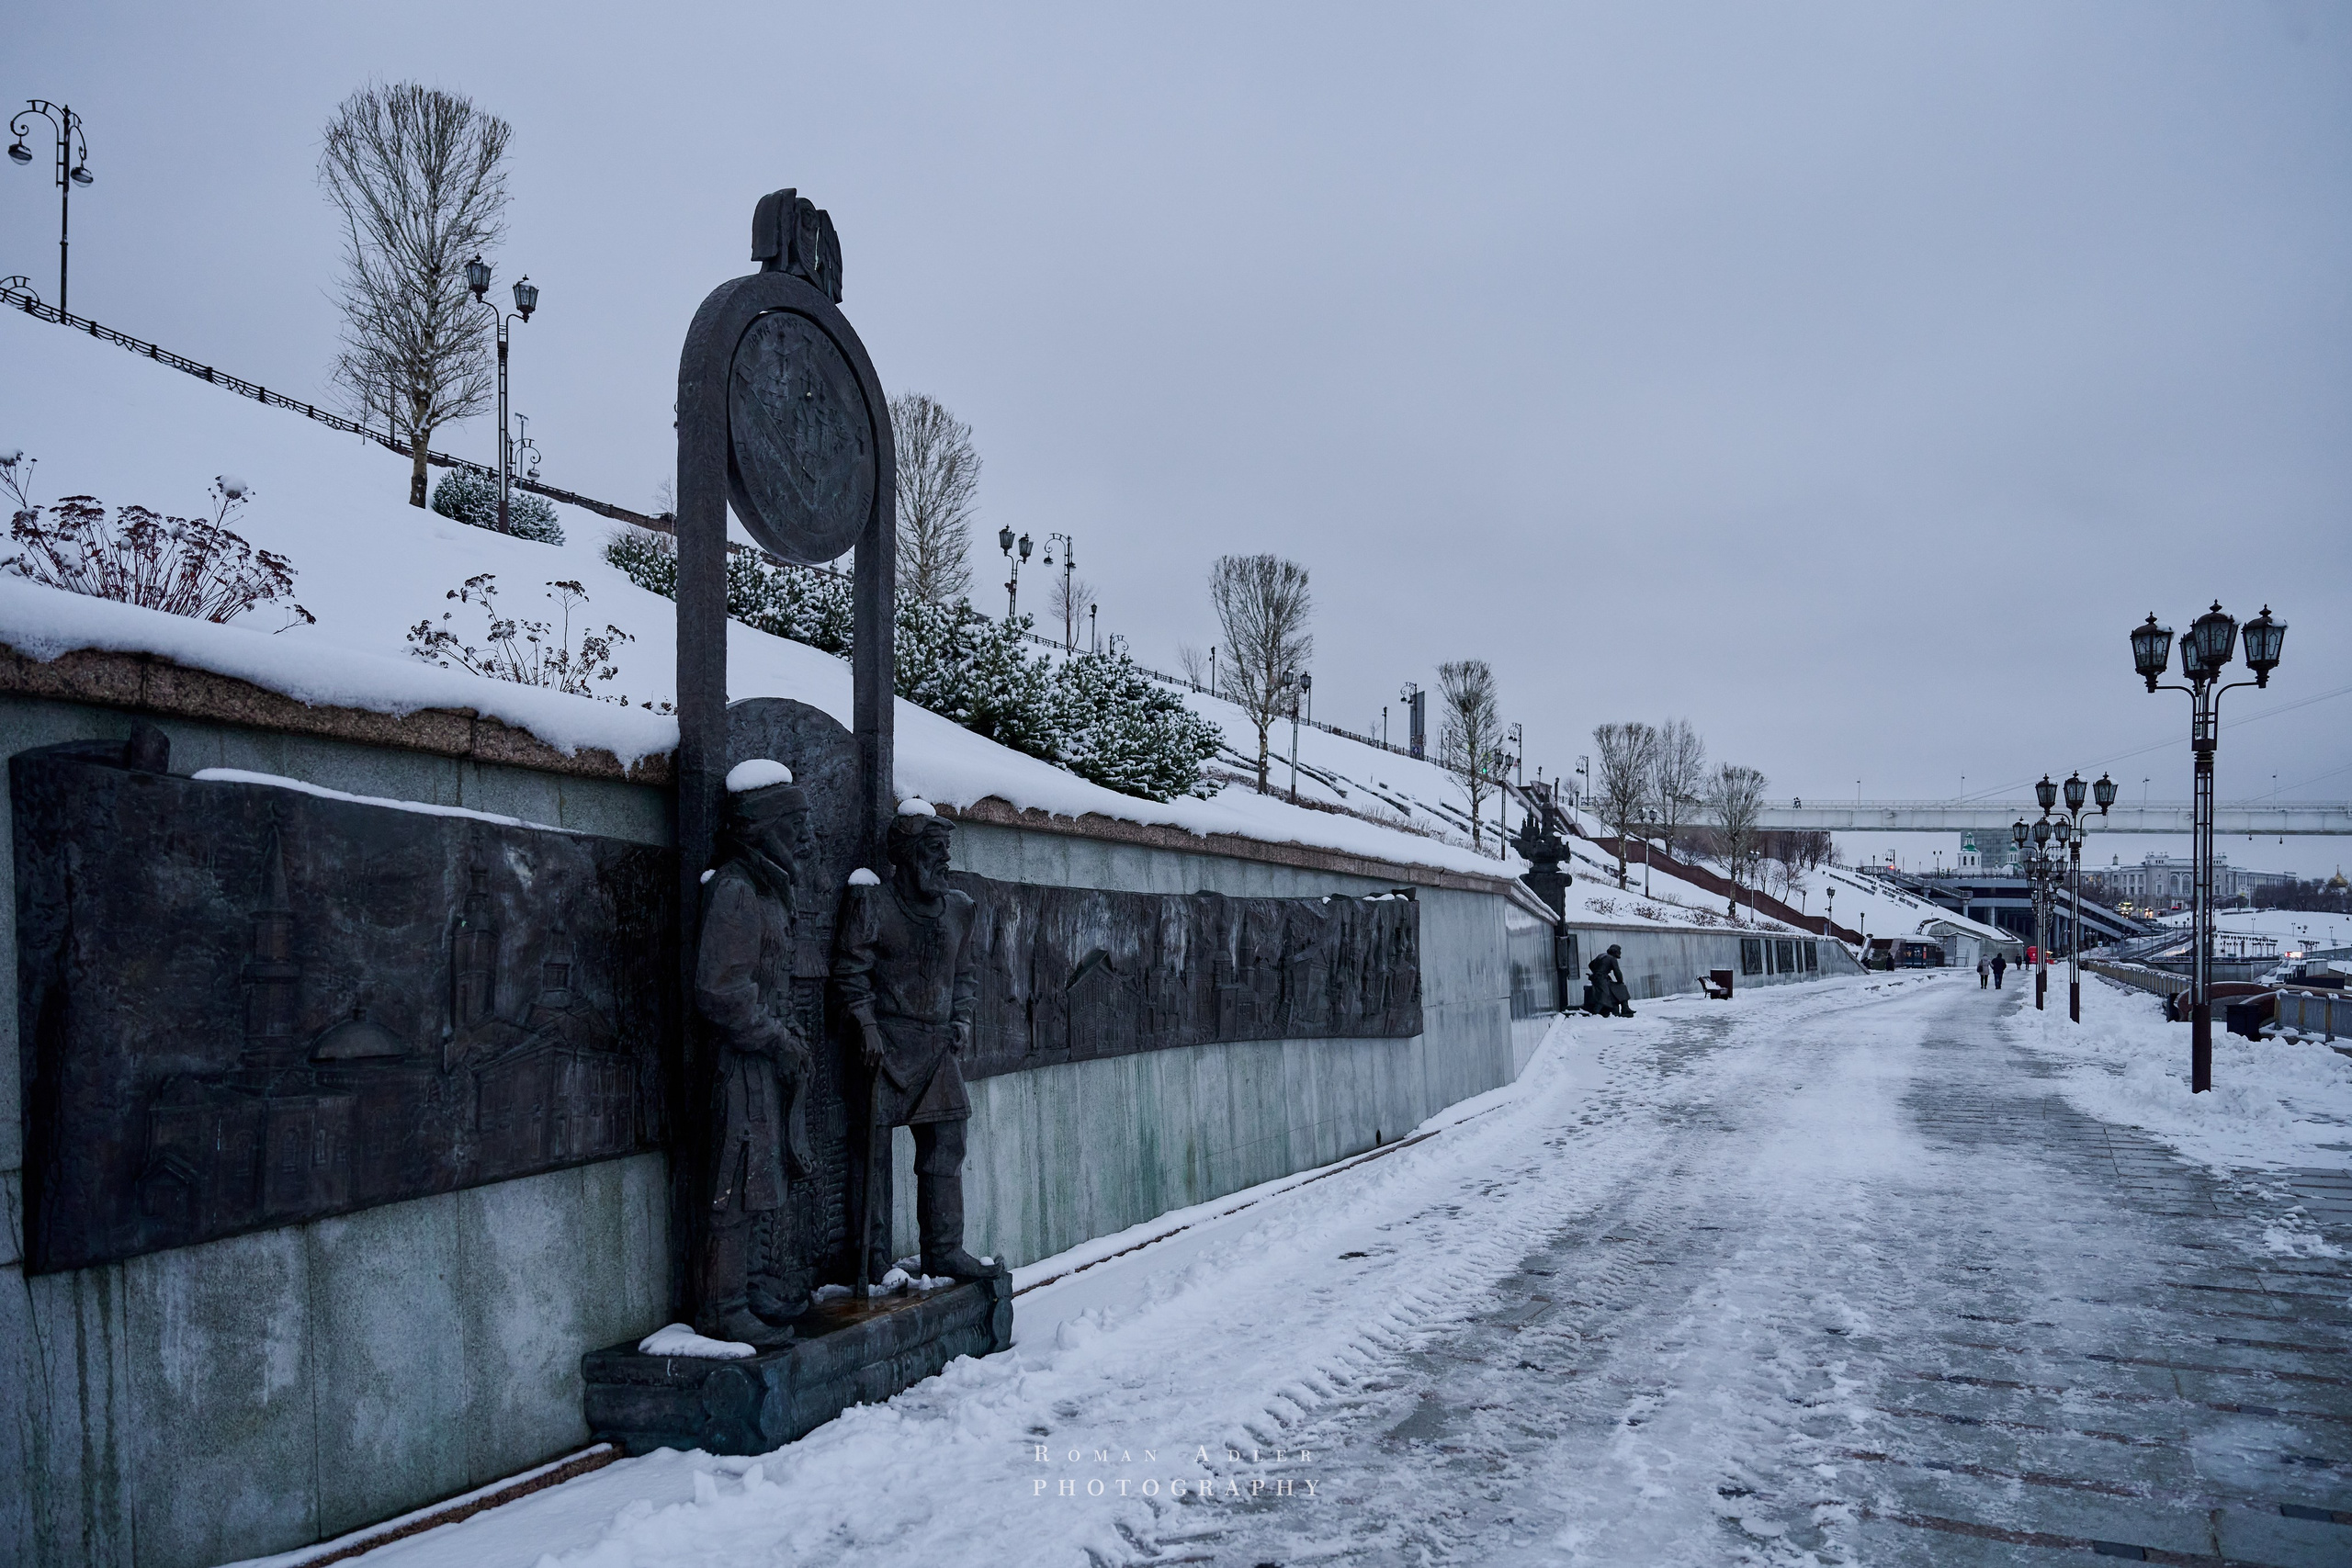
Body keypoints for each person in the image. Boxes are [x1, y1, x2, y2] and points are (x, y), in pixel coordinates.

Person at [832, 800, 996, 1283]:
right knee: (872, 1156)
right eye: (933, 850)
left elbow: (964, 976)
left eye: (946, 850)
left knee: (948, 1144)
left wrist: (962, 1019)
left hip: (937, 1048)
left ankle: (944, 1251)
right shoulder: (873, 903)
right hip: (884, 1047)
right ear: (904, 856)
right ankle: (872, 1256)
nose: (943, 861)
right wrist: (865, 1025)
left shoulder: (960, 910)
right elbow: (850, 971)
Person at [694, 759, 817, 1348]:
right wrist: (772, 1036)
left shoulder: (770, 891)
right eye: (796, 830)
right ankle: (723, 1305)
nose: (807, 842)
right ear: (765, 829)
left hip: (765, 1059)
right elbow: (721, 991)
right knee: (736, 1179)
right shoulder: (738, 890)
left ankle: (752, 1285)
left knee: (764, 1174)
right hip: (739, 1062)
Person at [1588, 943, 1634, 1018]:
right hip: (1601, 980)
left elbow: (1590, 965)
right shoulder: (1612, 959)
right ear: (1615, 952)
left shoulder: (1601, 955)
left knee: (1620, 987)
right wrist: (1620, 981)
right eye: (1619, 951)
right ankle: (1595, 1012)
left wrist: (1596, 972)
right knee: (1616, 988)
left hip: (1598, 979)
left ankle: (1625, 1007)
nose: (1620, 953)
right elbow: (1617, 972)